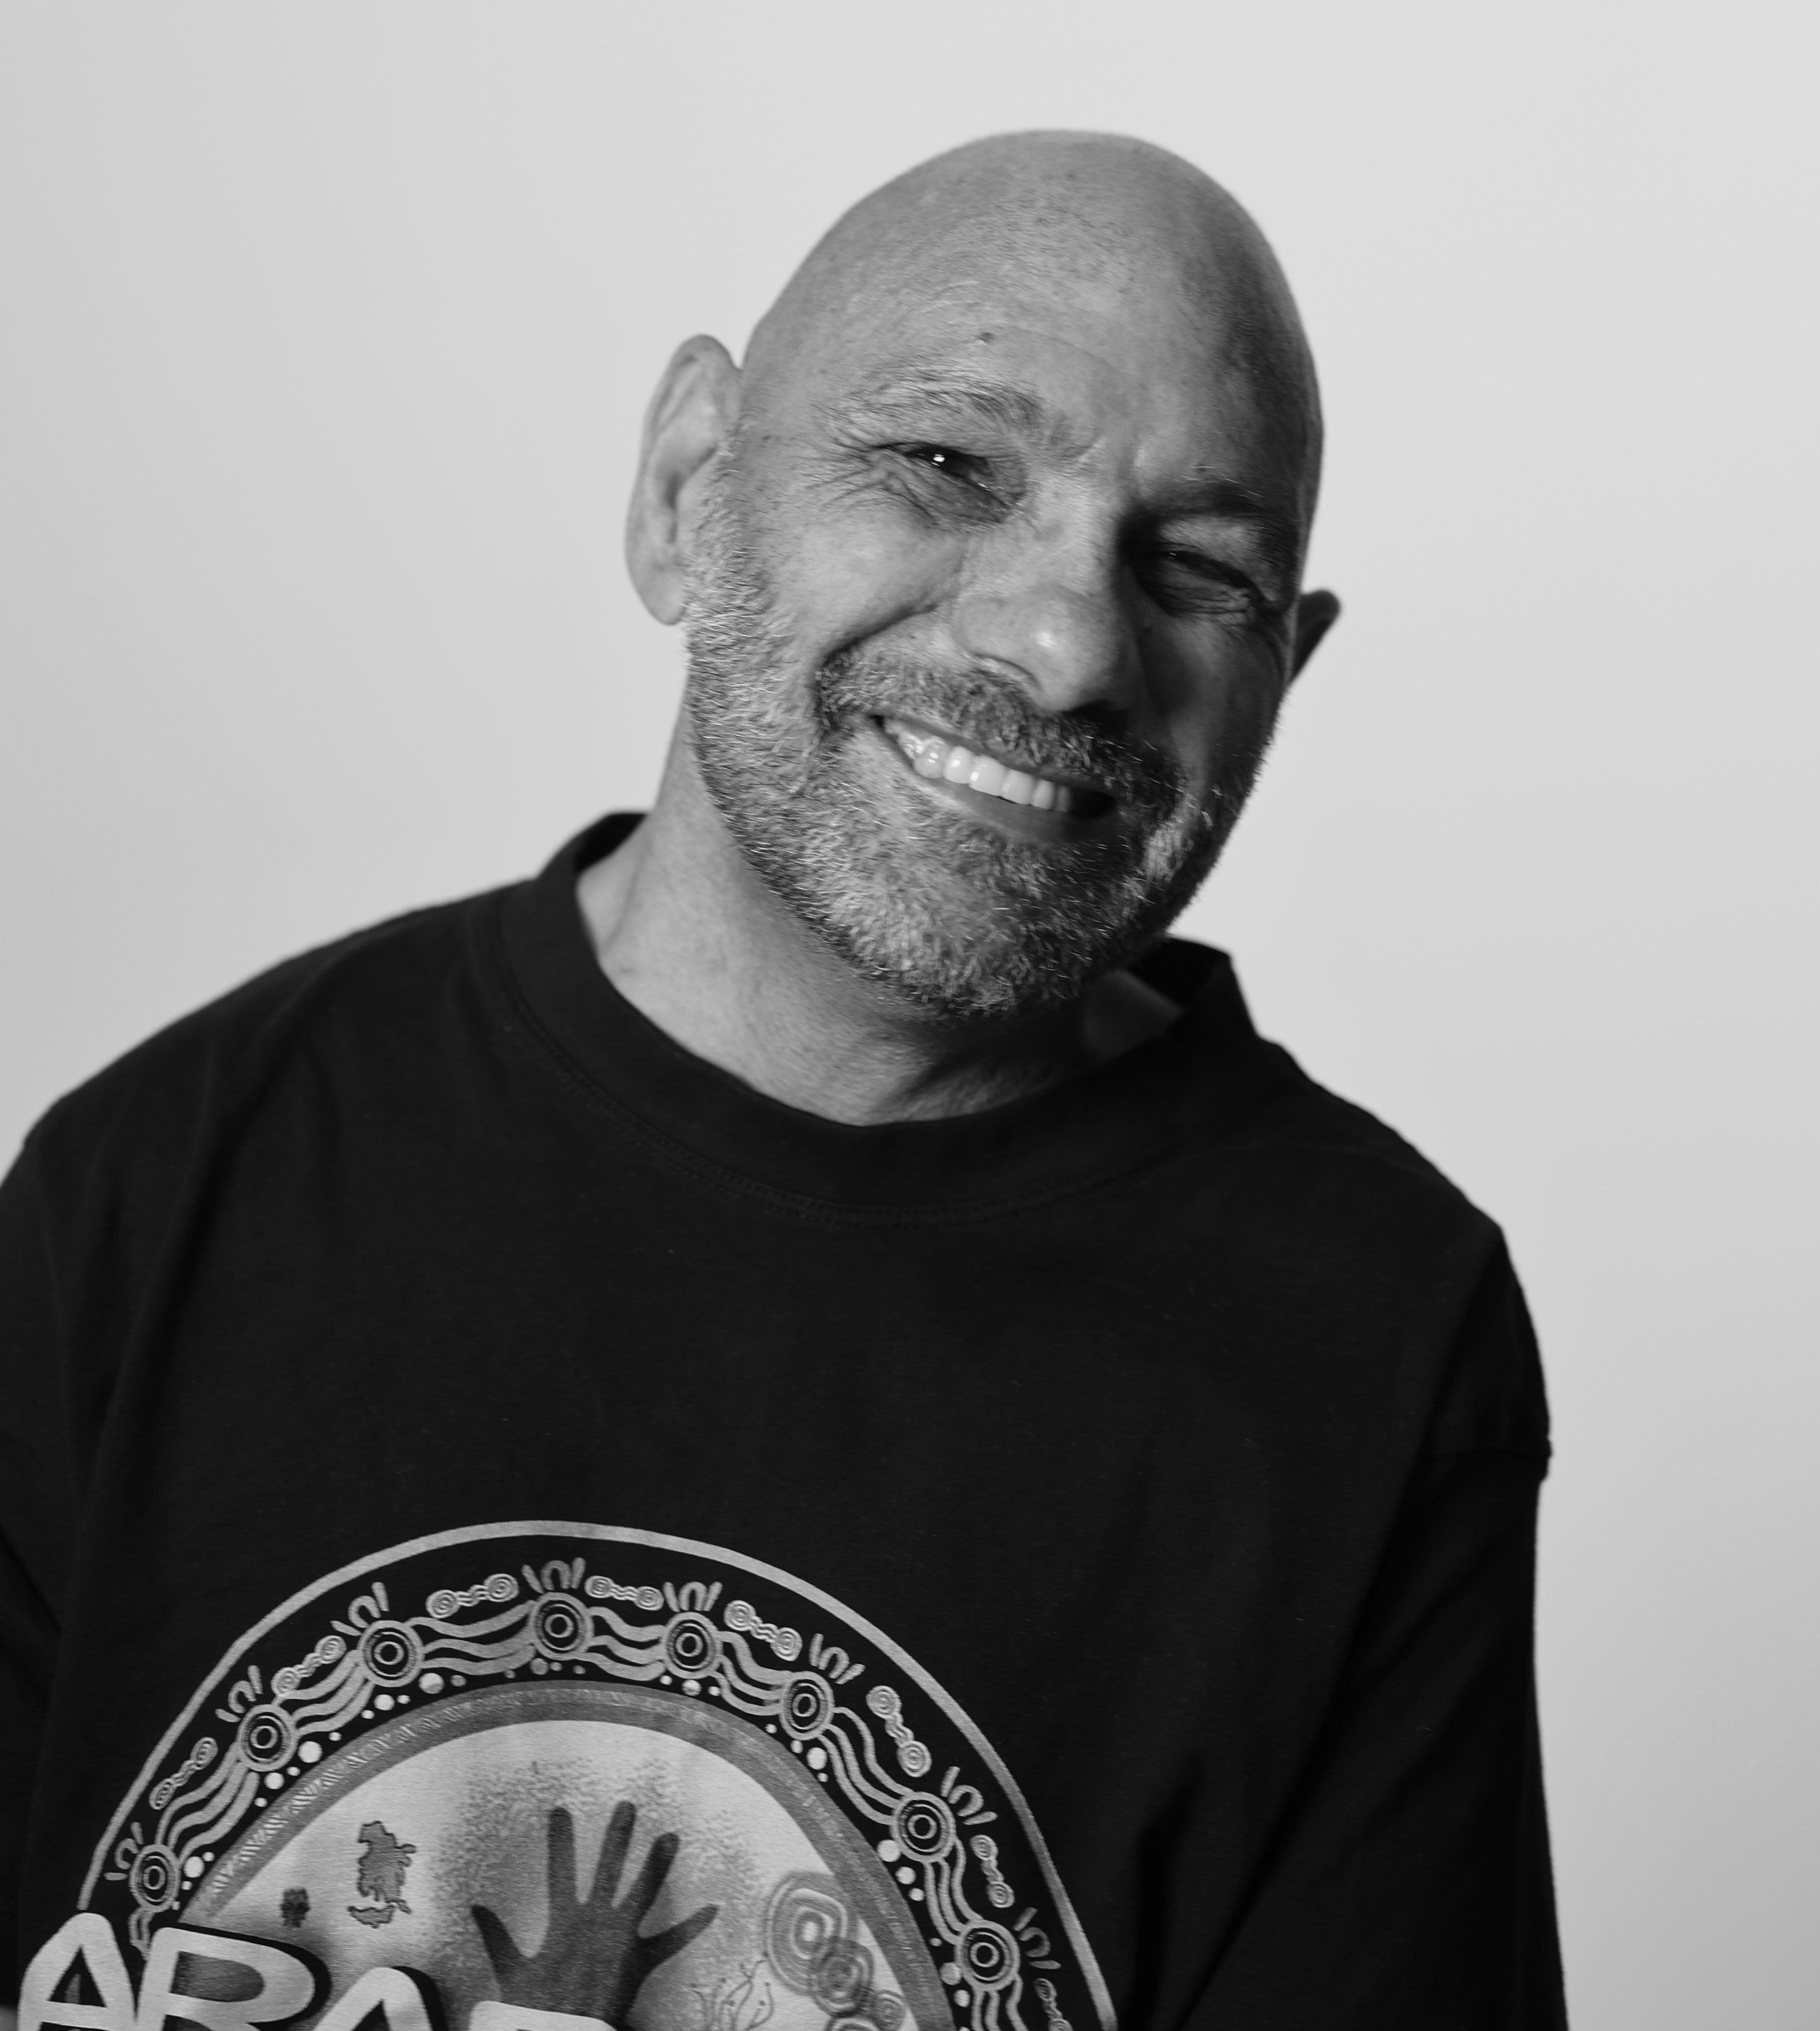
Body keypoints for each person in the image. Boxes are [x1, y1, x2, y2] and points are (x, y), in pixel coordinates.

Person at [0, 133, 1566, 2031]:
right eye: (948, 467)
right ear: (689, 489)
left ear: (1284, 679)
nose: (1067, 644)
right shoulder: (161, 1185)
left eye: (1198, 569)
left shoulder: (1371, 1337)